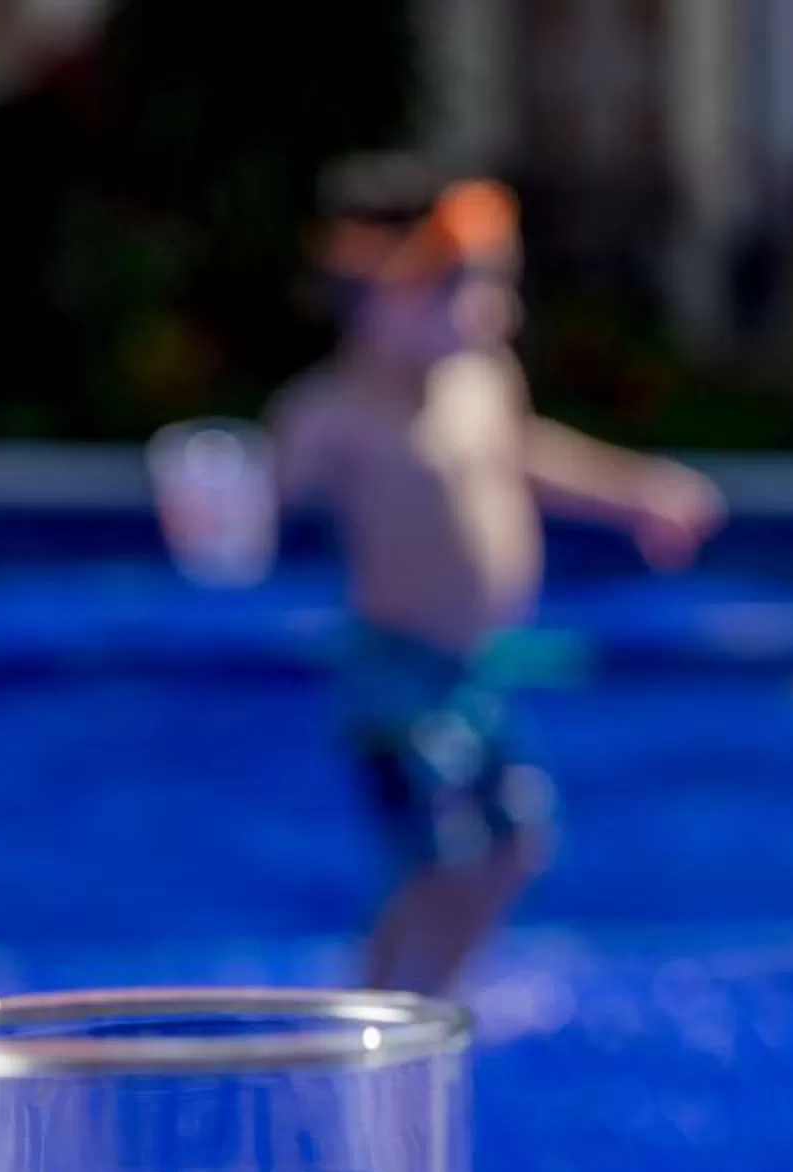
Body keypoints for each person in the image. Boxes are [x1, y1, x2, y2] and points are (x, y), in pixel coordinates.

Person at [269, 158, 723, 995]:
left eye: (499, 285)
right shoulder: (338, 412)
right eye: (463, 289)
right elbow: (269, 491)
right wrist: (227, 501)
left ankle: (439, 993)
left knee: (517, 842)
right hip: (396, 678)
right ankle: (378, 1007)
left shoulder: (481, 380)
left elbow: (534, 457)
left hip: (474, 669)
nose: (496, 311)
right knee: (431, 857)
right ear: (379, 300)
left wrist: (636, 494)